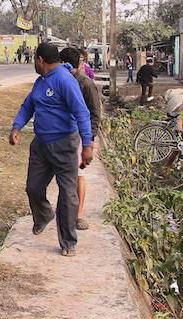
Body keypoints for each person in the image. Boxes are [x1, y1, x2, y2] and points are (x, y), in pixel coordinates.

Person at [9, 43, 93, 257]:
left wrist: (87, 144)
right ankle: (44, 214)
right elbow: (28, 105)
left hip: (65, 144)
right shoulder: (40, 82)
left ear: (40, 60)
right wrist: (17, 127)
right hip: (41, 145)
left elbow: (82, 112)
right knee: (33, 188)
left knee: (67, 195)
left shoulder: (65, 81)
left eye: (34, 60)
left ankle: (68, 241)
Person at [60, 48, 101, 231]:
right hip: (61, 134)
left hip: (79, 135)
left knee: (78, 174)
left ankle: (78, 214)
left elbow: (95, 112)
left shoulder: (85, 83)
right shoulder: (58, 80)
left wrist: (89, 140)